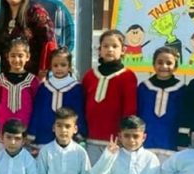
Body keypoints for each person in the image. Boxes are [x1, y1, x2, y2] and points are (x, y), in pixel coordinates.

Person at [81, 29, 137, 166]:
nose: (110, 50)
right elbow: (82, 105)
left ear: (123, 50)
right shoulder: (90, 75)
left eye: (114, 46)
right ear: (99, 49)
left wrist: (124, 136)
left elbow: (130, 109)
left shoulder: (128, 76)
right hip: (91, 139)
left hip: (115, 142)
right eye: (105, 46)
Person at [0, 0, 57, 78]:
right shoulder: (1, 17)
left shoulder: (36, 12)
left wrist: (44, 70)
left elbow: (49, 42)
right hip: (7, 79)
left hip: (33, 79)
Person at [27, 47, 85, 150]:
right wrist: (32, 132)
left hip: (66, 133)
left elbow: (79, 111)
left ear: (70, 66)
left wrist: (79, 131)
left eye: (63, 65)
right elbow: (37, 111)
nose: (59, 68)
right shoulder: (44, 87)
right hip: (44, 134)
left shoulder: (76, 88)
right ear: (50, 66)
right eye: (55, 65)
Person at [136, 46, 185, 161]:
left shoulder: (182, 89)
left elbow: (184, 117)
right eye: (160, 62)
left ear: (176, 66)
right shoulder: (144, 87)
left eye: (169, 63)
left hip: (171, 143)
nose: (164, 66)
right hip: (145, 143)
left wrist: (182, 141)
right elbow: (137, 112)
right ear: (153, 64)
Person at [0, 38, 40, 145]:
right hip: (4, 128)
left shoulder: (33, 80)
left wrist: (32, 130)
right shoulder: (0, 79)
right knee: (3, 156)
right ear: (7, 56)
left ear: (27, 57)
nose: (16, 59)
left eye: (20, 56)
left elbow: (36, 106)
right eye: (13, 55)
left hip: (25, 129)